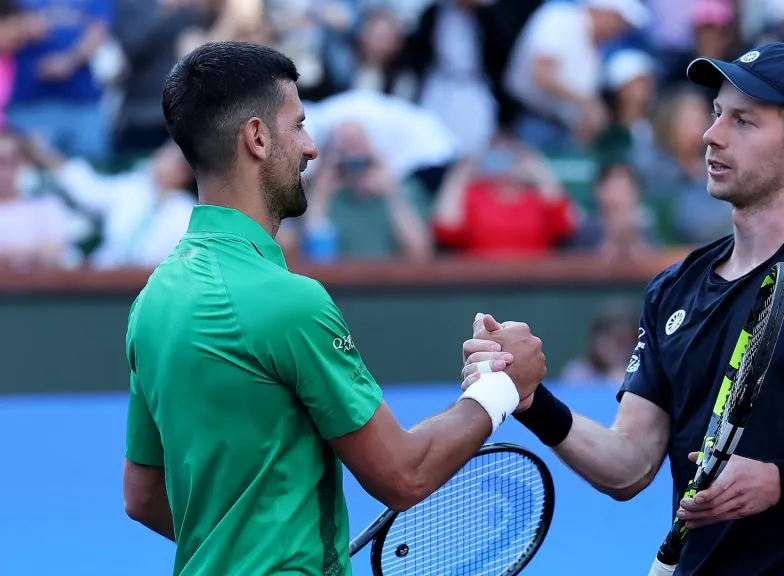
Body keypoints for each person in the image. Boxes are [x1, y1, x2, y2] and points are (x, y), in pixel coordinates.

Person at [462, 42, 784, 575]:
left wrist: (782, 481)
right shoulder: (673, 288)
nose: (711, 135)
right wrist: (532, 400)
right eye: (717, 113)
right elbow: (629, 465)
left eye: (744, 122)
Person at [121, 41, 546, 576]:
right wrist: (505, 386)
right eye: (297, 125)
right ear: (256, 137)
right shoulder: (291, 302)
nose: (311, 147)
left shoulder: (153, 301)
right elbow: (403, 474)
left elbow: (142, 496)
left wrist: (248, 543)